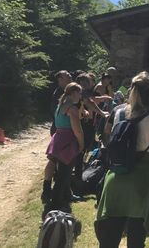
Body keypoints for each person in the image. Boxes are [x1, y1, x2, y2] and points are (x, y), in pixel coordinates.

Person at [95, 71, 149, 248]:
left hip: (117, 176)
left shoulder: (119, 112)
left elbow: (107, 134)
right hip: (142, 181)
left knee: (110, 237)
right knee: (136, 237)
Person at [44, 82, 84, 216]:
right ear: (73, 93)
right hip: (68, 141)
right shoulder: (72, 109)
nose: (80, 96)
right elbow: (78, 130)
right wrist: (81, 144)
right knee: (64, 174)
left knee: (62, 172)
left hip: (58, 138)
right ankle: (55, 204)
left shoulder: (60, 105)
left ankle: (66, 196)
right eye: (79, 93)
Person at [51, 70, 72, 135]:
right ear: (60, 79)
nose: (70, 75)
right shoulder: (58, 93)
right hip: (61, 130)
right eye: (67, 75)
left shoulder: (70, 91)